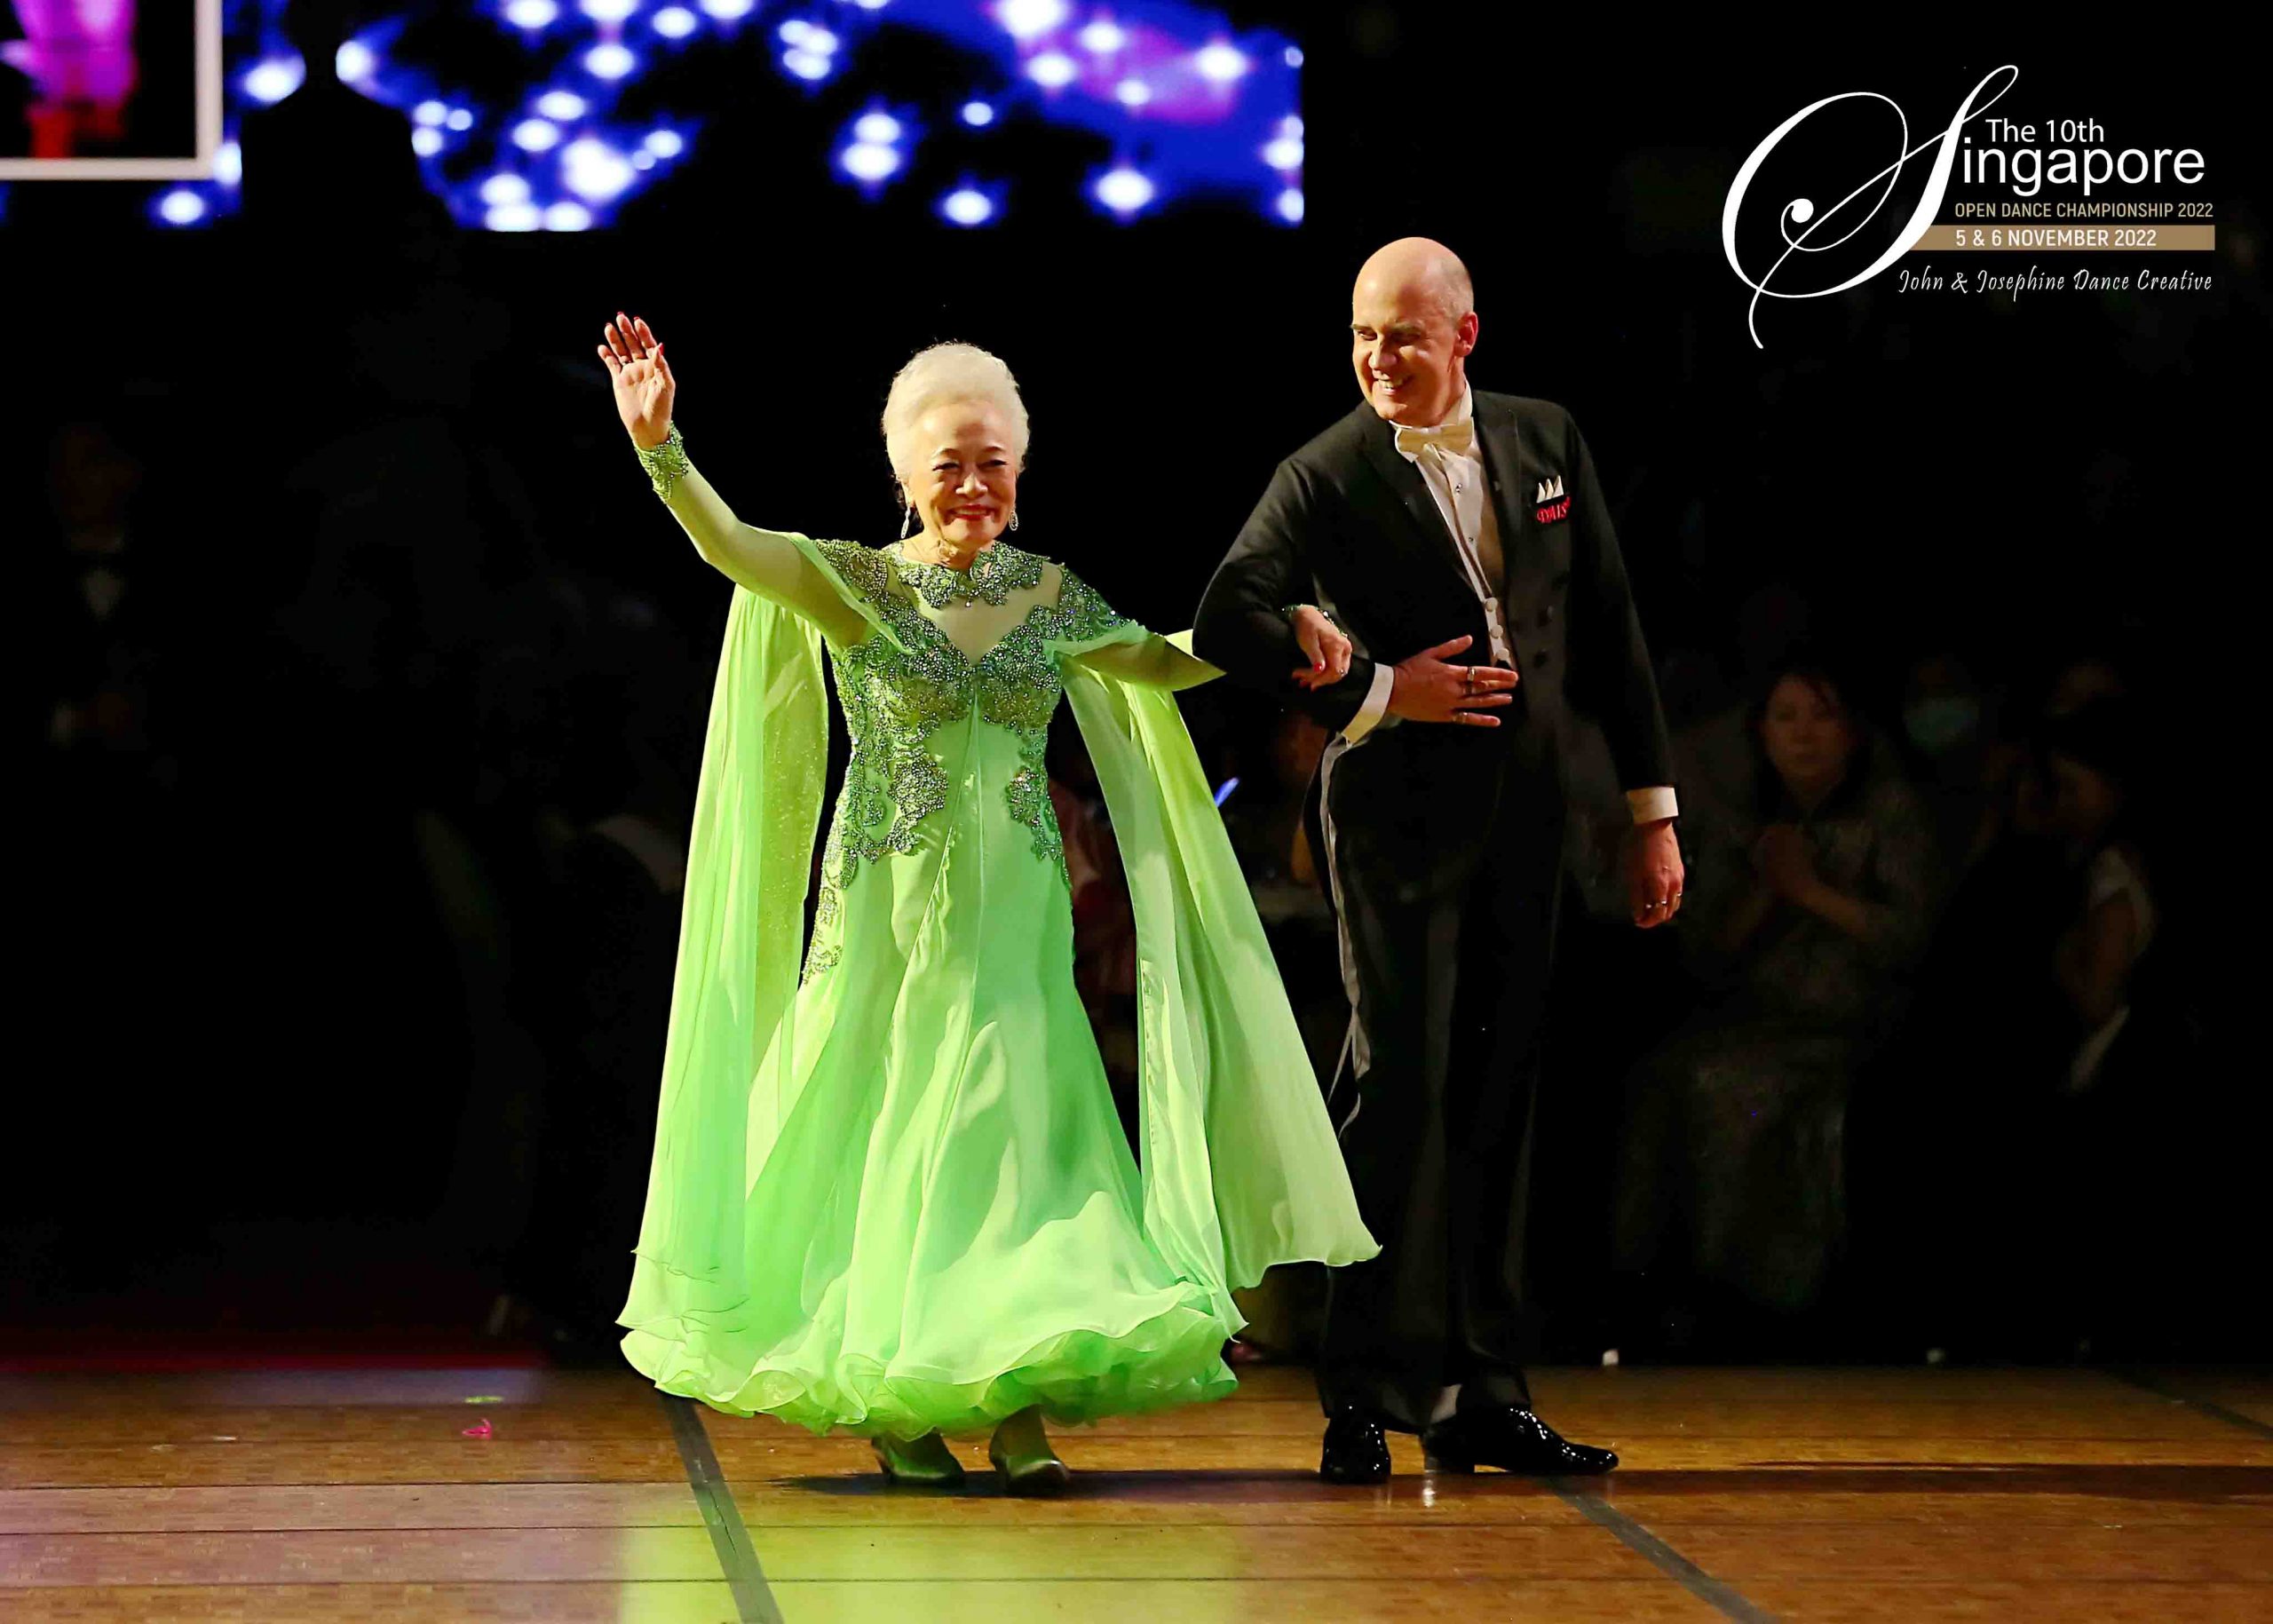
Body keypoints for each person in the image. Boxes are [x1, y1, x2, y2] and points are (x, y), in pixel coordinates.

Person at [596, 317, 1377, 1493]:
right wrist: (661, 449)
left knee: (1019, 1153)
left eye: (992, 462)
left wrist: (1281, 636)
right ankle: (899, 1397)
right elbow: (736, 549)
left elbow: (1161, 660)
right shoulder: (857, 583)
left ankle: (1011, 1399)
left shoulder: (1046, 595)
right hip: (889, 925)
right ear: (905, 474)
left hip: (1016, 927)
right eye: (949, 463)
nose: (972, 485)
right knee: (893, 1142)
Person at [1192, 239, 1683, 1482]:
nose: (1378, 357)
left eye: (1403, 335)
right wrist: (1373, 686)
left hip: (1533, 811)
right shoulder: (1326, 468)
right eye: (1363, 335)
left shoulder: (1545, 437)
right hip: (1395, 817)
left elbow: (1610, 622)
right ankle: (1360, 1390)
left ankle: (1485, 1388)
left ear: (1464, 334)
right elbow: (1226, 612)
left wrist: (1652, 811)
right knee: (1397, 1089)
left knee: (1499, 1091)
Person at [1613, 656, 1939, 1345]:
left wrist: (1810, 889)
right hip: (1756, 1021)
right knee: (1661, 1081)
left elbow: (1912, 937)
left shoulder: (1890, 814)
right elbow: (1708, 952)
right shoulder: (1748, 823)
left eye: (1821, 715)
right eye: (1786, 717)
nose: (1803, 733)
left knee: (1726, 1089)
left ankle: (1756, 1307)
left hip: (1852, 1026)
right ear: (1761, 732)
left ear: (1852, 730)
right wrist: (1767, 883)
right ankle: (1654, 1293)